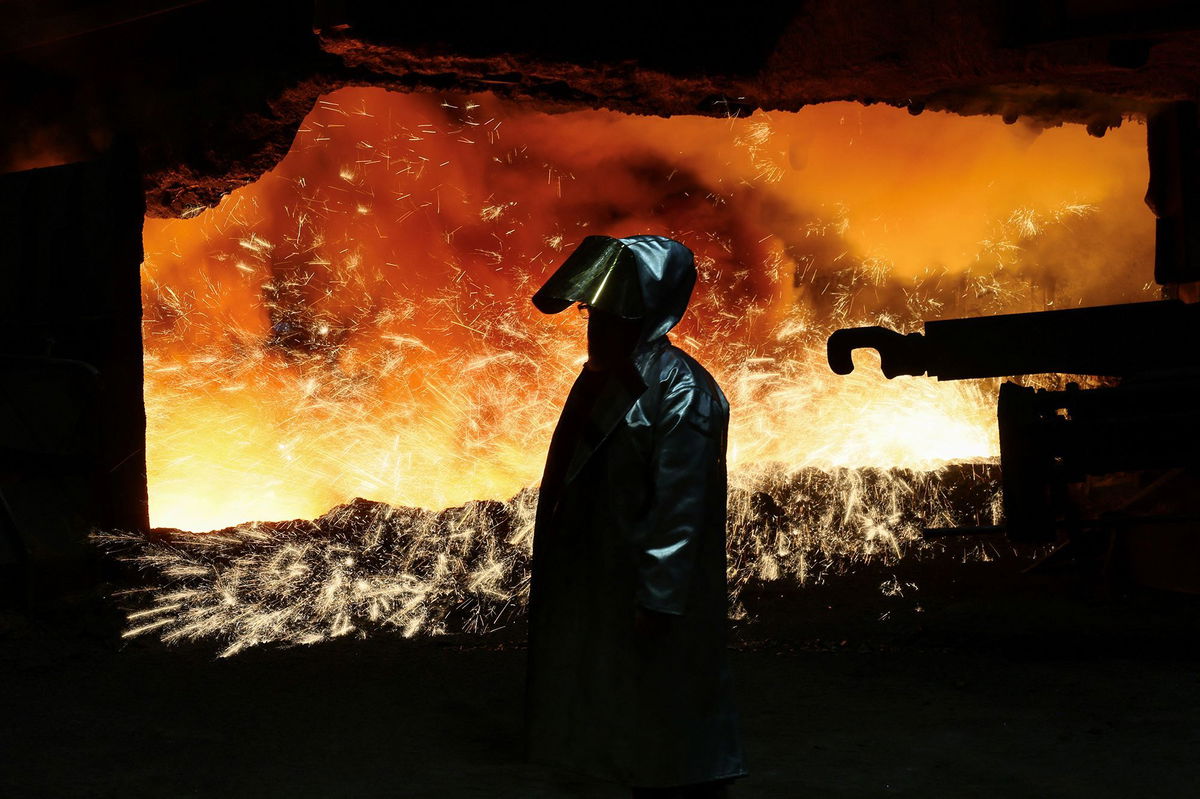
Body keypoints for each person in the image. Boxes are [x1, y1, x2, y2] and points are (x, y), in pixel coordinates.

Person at [525, 234, 748, 798]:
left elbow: (681, 507)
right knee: (623, 731)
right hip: (607, 582)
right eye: (592, 312)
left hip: (649, 595)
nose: (594, 326)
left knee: (670, 739)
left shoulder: (682, 394)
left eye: (611, 314)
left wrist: (659, 595)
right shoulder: (605, 380)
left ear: (646, 316)